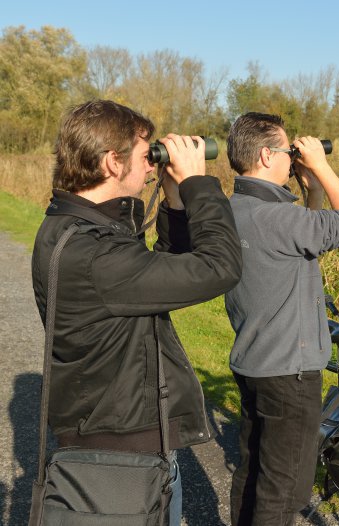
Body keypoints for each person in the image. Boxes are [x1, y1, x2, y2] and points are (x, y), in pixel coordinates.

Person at [30, 100, 242, 523]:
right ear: (113, 162)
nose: (151, 166)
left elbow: (159, 275)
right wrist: (199, 183)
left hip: (116, 444)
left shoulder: (75, 229)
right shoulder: (95, 255)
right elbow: (220, 267)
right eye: (147, 155)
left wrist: (175, 201)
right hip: (122, 467)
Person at [224, 113, 339, 525]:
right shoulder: (277, 217)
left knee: (253, 471)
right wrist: (321, 166)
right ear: (267, 155)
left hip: (255, 362)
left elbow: (304, 245)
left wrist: (312, 192)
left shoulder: (236, 209)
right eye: (289, 151)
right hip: (290, 373)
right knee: (284, 490)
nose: (294, 158)